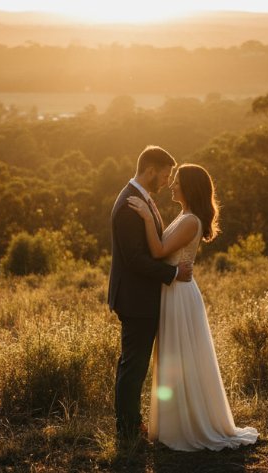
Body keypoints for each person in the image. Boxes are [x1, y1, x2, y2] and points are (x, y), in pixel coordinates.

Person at [126, 163, 259, 451]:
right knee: (175, 357)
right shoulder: (184, 215)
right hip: (173, 289)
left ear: (189, 187)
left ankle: (189, 426)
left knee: (182, 357)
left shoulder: (190, 221)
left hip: (180, 294)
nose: (171, 185)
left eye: (176, 181)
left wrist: (147, 218)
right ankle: (175, 423)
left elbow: (160, 251)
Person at [108, 145, 194, 449]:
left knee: (135, 365)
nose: (165, 181)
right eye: (164, 175)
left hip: (142, 297)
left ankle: (132, 424)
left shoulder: (141, 199)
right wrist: (172, 275)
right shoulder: (130, 203)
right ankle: (127, 431)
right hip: (135, 299)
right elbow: (134, 259)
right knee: (133, 366)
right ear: (150, 170)